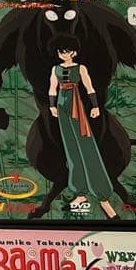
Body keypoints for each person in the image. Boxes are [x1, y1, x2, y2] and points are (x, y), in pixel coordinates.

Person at [47, 33, 119, 218]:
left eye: (67, 51)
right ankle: (80, 193)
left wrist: (95, 106)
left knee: (86, 147)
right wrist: (52, 106)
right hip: (61, 108)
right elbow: (52, 88)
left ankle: (102, 195)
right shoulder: (55, 69)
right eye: (61, 52)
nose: (64, 54)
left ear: (74, 52)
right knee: (71, 149)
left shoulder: (81, 68)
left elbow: (89, 87)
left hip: (76, 106)